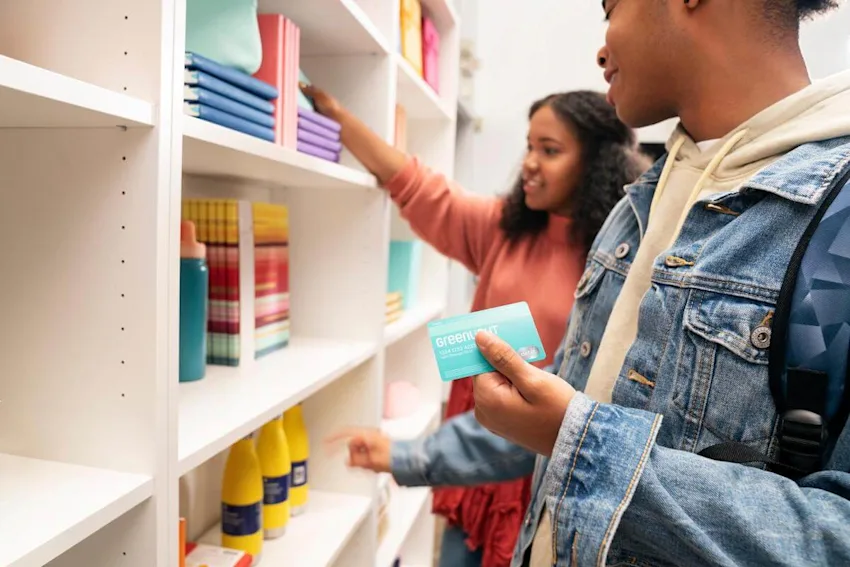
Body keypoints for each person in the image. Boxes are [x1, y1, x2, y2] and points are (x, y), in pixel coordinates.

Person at [461, 0, 850, 565]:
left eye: (609, 8)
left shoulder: (838, 217)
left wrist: (583, 442)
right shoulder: (634, 203)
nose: (601, 47)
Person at [302, 84, 647, 567]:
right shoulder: (503, 230)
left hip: (543, 471)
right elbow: (413, 184)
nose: (529, 162)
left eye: (549, 150)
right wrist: (338, 113)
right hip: (472, 452)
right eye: (529, 146)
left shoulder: (615, 261)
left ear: (595, 163)